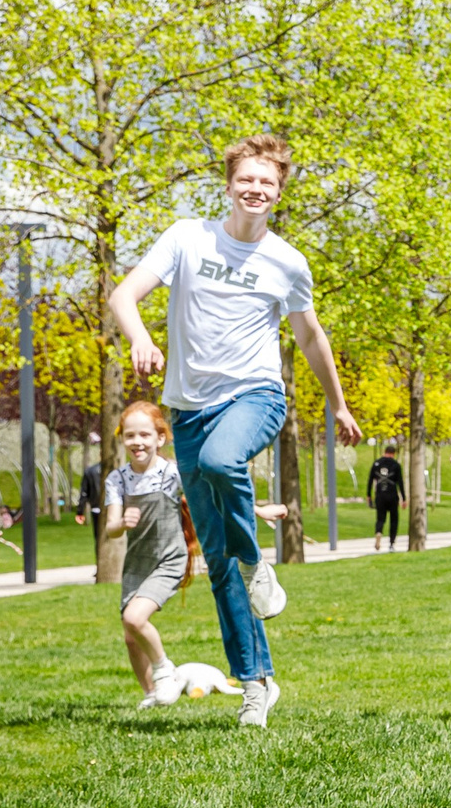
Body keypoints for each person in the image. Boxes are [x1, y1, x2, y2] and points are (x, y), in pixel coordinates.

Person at [108, 133, 363, 731]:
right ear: (228, 185)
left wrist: (339, 405)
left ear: (278, 193)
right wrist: (141, 337)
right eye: (246, 180)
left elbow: (309, 338)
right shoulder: (186, 237)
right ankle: (257, 682)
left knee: (226, 463)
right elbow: (124, 295)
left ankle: (258, 562)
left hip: (255, 395)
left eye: (267, 183)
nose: (255, 189)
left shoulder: (286, 261)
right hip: (188, 409)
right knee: (216, 560)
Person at [100, 399, 196, 709]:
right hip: (137, 564)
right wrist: (121, 522)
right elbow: (111, 528)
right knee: (131, 635)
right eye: (130, 436)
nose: (137, 442)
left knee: (134, 617)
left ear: (160, 438)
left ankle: (165, 669)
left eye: (144, 435)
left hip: (168, 559)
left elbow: (210, 495)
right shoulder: (118, 479)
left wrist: (258, 509)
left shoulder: (172, 474)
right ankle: (151, 693)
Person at [367, 446, 404, 551]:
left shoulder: (376, 463)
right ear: (394, 453)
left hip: (380, 496)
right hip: (392, 496)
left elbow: (370, 480)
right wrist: (404, 498)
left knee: (380, 518)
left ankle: (378, 532)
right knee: (394, 520)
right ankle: (392, 543)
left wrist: (368, 495)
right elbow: (400, 482)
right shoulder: (396, 465)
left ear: (385, 452)